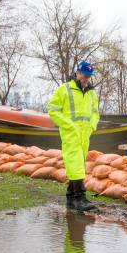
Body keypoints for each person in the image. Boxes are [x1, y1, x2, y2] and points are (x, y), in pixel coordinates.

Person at [48, 61, 100, 211]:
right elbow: (53, 111)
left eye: (89, 76)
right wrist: (68, 125)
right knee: (76, 164)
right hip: (70, 133)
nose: (86, 79)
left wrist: (92, 125)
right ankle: (80, 198)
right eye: (84, 75)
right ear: (77, 73)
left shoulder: (92, 93)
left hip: (85, 134)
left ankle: (71, 198)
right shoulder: (64, 90)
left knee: (78, 164)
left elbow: (95, 113)